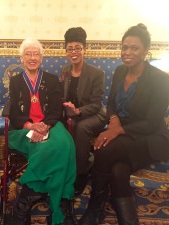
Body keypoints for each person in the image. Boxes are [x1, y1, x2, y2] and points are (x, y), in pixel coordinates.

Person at [78, 23, 169, 225]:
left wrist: (118, 130)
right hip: (123, 132)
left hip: (149, 137)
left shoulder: (160, 79)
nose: (127, 52)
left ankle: (95, 208)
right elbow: (111, 103)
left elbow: (152, 122)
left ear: (146, 51)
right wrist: (113, 121)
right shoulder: (120, 71)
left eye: (134, 48)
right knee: (117, 171)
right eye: (124, 47)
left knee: (103, 149)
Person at [8, 38, 76, 225]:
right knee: (44, 148)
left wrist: (45, 125)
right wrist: (30, 126)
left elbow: (56, 108)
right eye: (28, 54)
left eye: (36, 53)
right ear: (21, 58)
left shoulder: (52, 79)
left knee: (64, 144)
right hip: (26, 128)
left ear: (41, 57)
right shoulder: (15, 81)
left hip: (51, 125)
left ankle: (30, 196)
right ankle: (35, 198)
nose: (32, 57)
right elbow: (13, 111)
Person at [61, 27, 106, 194]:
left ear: (84, 49)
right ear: (66, 51)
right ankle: (63, 167)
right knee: (57, 124)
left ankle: (81, 173)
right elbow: (63, 96)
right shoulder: (65, 71)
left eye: (77, 48)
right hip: (72, 112)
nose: (74, 52)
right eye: (70, 48)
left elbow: (96, 103)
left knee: (81, 128)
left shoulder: (96, 73)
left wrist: (78, 111)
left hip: (95, 114)